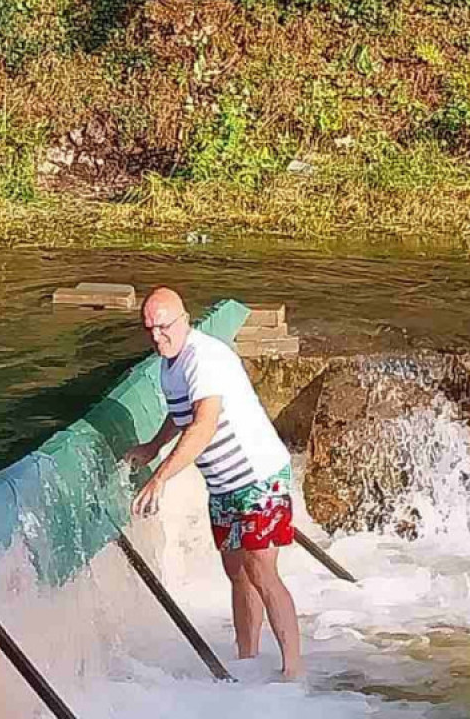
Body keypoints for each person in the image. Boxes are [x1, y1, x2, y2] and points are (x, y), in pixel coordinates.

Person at [126, 287, 303, 679]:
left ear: (184, 320)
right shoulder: (167, 363)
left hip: (259, 477)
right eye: (150, 329)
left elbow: (204, 423)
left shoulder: (202, 357)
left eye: (164, 327)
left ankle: (293, 671)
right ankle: (248, 659)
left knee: (261, 569)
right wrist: (153, 446)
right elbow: (181, 414)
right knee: (236, 572)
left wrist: (160, 478)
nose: (157, 336)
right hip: (223, 484)